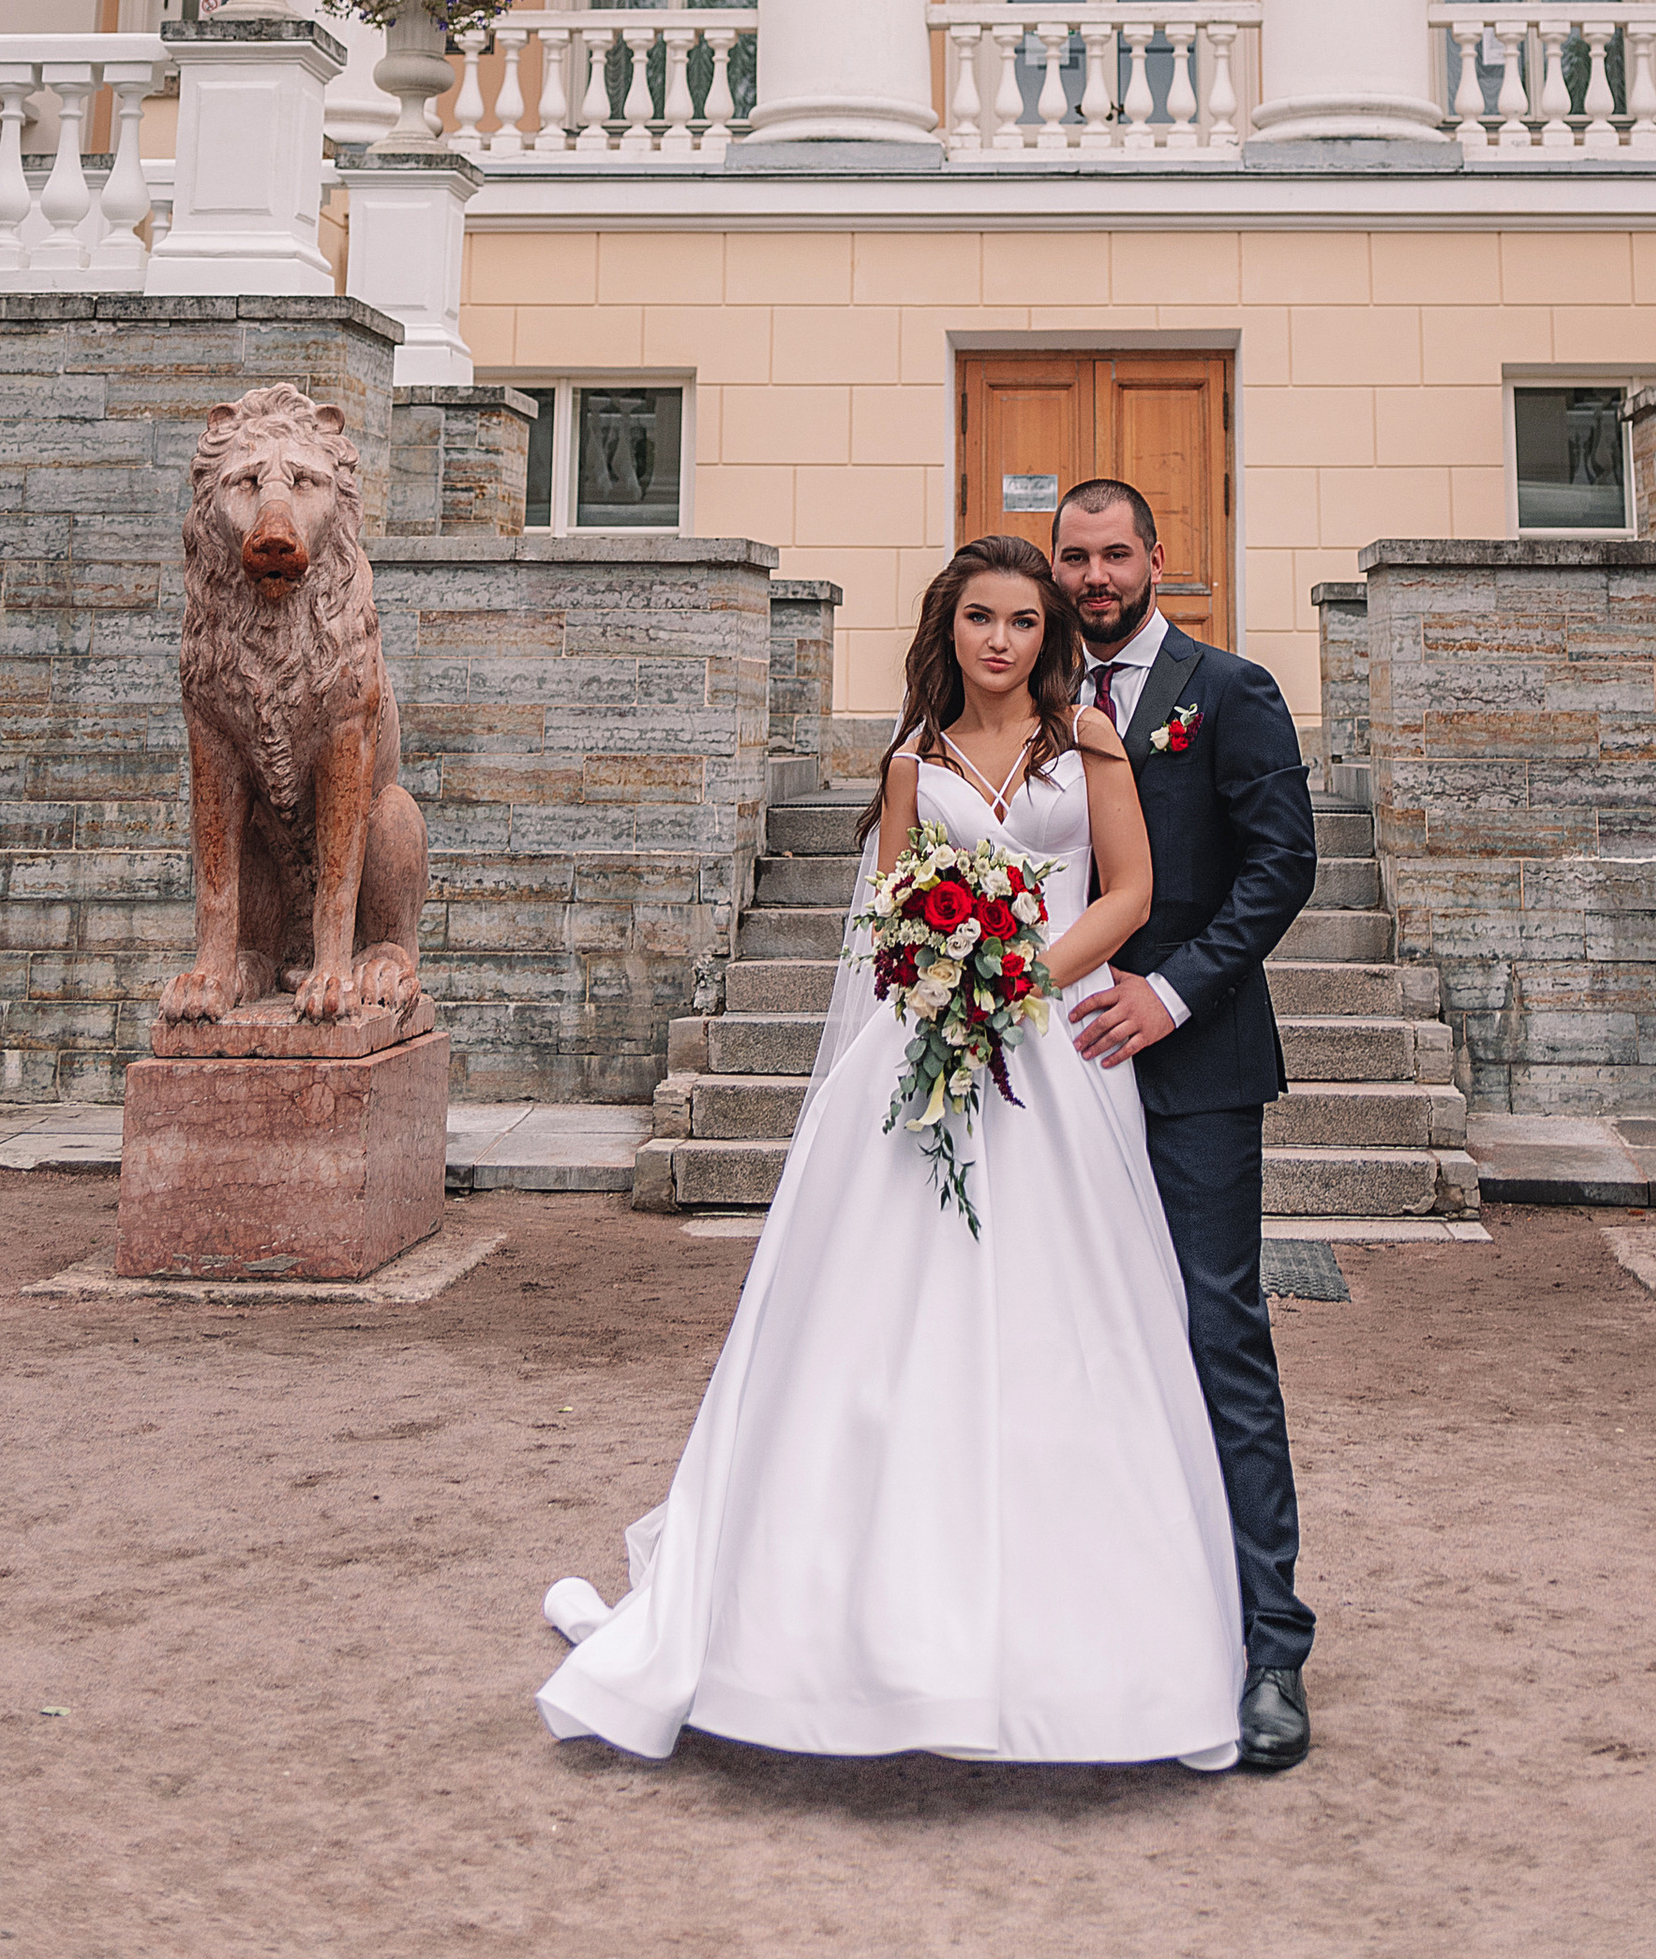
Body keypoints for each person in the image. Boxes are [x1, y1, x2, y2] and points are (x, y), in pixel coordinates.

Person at [533, 532, 1247, 1769]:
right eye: (980, 618)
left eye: (1023, 621)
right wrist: (946, 978)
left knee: (1068, 1315)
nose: (1001, 640)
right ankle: (854, 1618)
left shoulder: (1087, 740)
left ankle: (1100, 1647)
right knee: (884, 1315)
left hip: (1055, 1048)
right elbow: (888, 914)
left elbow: (1126, 894)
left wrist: (1020, 973)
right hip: (930, 1045)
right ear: (947, 629)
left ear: (1047, 637)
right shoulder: (911, 758)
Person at [1051, 478, 1322, 1774]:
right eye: (1075, 557)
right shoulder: (1034, 693)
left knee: (1221, 1336)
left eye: (1115, 554)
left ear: (1158, 557)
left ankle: (1271, 1645)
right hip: (1051, 1075)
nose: (1094, 577)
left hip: (1193, 1067)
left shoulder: (1229, 691)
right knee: (1070, 1339)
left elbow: (1282, 866)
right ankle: (1107, 1616)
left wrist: (1171, 990)